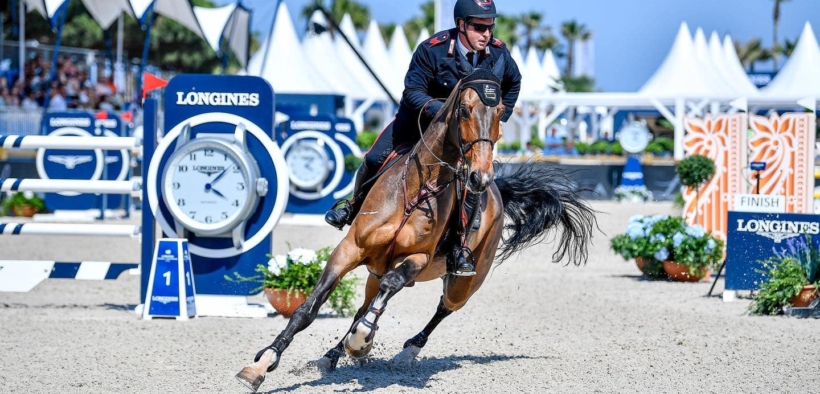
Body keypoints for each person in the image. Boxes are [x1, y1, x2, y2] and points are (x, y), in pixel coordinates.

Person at [325, 0, 522, 275]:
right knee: (373, 158)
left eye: (490, 27)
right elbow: (412, 91)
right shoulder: (433, 50)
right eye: (479, 27)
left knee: (472, 183)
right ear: (461, 25)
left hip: (460, 138)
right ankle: (353, 205)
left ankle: (460, 247)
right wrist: (443, 114)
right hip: (416, 124)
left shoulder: (499, 55)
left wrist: (499, 116)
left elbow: (514, 82)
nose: (486, 34)